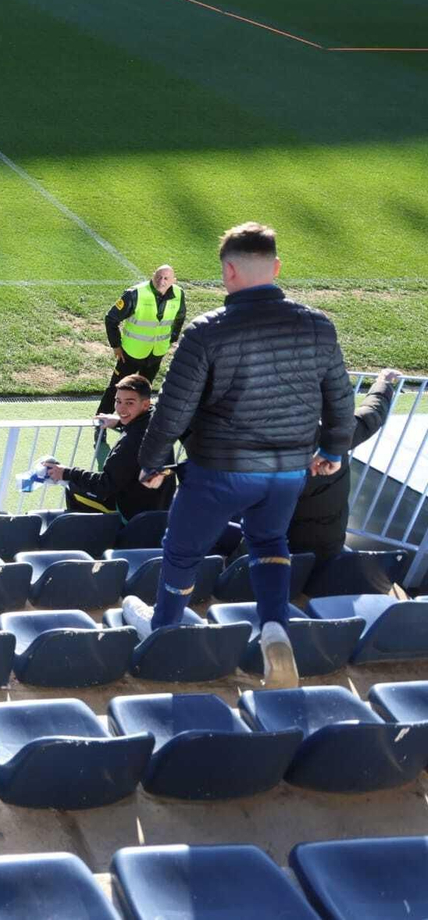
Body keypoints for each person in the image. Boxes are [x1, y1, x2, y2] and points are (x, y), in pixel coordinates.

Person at [125, 222, 353, 690]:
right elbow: (340, 397)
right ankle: (275, 629)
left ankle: (163, 625)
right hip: (287, 471)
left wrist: (151, 462)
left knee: (183, 549)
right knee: (270, 543)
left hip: (220, 471)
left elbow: (173, 409)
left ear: (228, 271)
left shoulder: (207, 331)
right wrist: (332, 449)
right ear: (276, 267)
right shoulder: (318, 325)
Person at [289, 368, 402, 566]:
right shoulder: (337, 437)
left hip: (283, 549)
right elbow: (371, 414)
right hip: (328, 547)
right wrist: (383, 383)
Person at [45, 374, 174, 519]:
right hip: (161, 507)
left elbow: (104, 486)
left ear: (144, 404)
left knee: (73, 487)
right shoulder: (157, 419)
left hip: (134, 515)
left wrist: (66, 473)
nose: (121, 409)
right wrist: (120, 421)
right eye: (118, 401)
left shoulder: (131, 443)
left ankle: (88, 532)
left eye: (129, 403)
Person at [100, 265, 186, 420]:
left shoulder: (179, 294)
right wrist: (116, 346)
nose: (162, 281)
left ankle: (136, 424)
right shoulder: (135, 294)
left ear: (174, 280)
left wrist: (170, 341)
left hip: (156, 354)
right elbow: (111, 319)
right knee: (116, 389)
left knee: (143, 392)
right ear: (152, 276)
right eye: (158, 277)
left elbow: (179, 319)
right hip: (130, 354)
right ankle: (101, 423)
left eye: (166, 278)